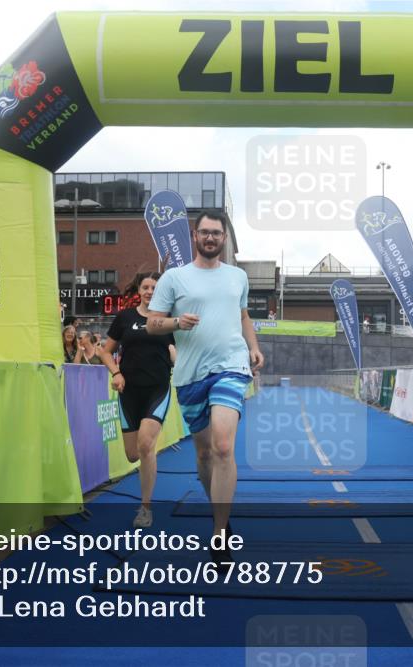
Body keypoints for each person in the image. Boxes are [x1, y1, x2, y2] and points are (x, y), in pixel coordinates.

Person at [147, 210, 264, 566]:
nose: (211, 238)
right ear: (194, 237)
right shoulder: (173, 278)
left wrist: (254, 347)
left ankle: (218, 531)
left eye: (216, 233)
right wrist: (175, 322)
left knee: (223, 446)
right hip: (190, 374)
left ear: (224, 238)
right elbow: (152, 324)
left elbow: (243, 316)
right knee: (204, 456)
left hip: (231, 365)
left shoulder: (237, 277)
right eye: (205, 232)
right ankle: (221, 515)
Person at [102, 272, 177, 528]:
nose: (150, 291)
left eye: (155, 288)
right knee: (133, 454)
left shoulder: (167, 322)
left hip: (157, 390)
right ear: (139, 291)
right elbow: (105, 351)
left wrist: (177, 356)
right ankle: (145, 456)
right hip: (129, 393)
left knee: (146, 446)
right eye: (146, 287)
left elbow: (179, 353)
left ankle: (145, 508)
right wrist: (116, 372)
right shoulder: (125, 318)